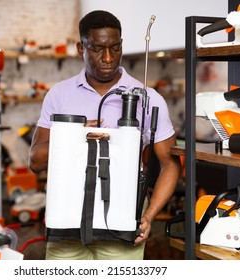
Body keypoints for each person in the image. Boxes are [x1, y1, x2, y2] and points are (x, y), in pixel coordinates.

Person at [29, 10, 181, 260]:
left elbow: (170, 165)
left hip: (122, 216)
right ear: (81, 48)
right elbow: (35, 162)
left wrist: (149, 215)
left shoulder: (148, 98)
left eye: (115, 47)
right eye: (98, 49)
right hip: (67, 216)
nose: (109, 57)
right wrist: (74, 135)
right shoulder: (59, 95)